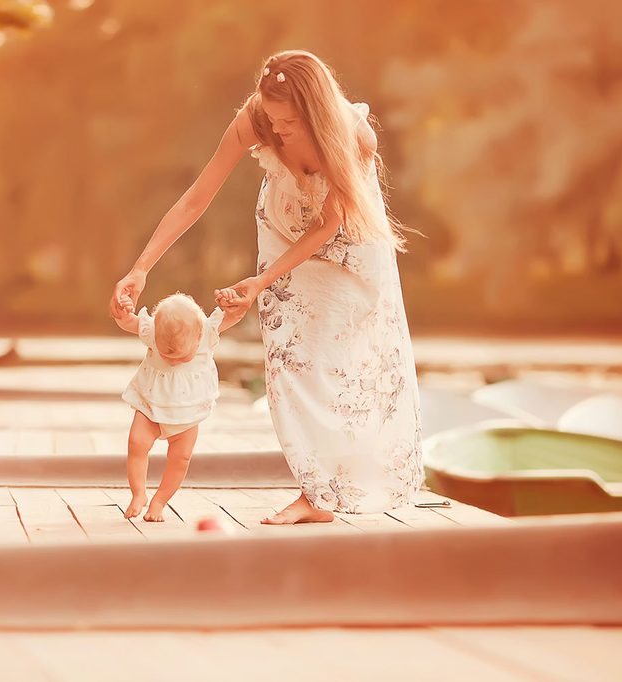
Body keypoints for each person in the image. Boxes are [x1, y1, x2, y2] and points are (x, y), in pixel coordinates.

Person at [111, 50, 422, 525]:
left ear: (316, 113)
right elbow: (196, 199)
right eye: (272, 120)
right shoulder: (255, 120)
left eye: (289, 122)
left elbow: (328, 225)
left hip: (346, 241)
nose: (277, 131)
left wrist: (262, 279)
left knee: (343, 363)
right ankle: (315, 494)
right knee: (290, 360)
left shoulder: (354, 136)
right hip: (283, 227)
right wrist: (141, 267)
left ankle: (340, 482)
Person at [114, 292, 242, 522]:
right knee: (136, 443)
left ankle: (160, 501)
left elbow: (234, 316)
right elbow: (129, 323)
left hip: (188, 413)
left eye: (181, 357)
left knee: (180, 458)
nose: (172, 361)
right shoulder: (153, 331)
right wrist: (123, 312)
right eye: (165, 354)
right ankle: (139, 493)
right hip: (150, 405)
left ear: (199, 335)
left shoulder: (207, 332)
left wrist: (232, 303)